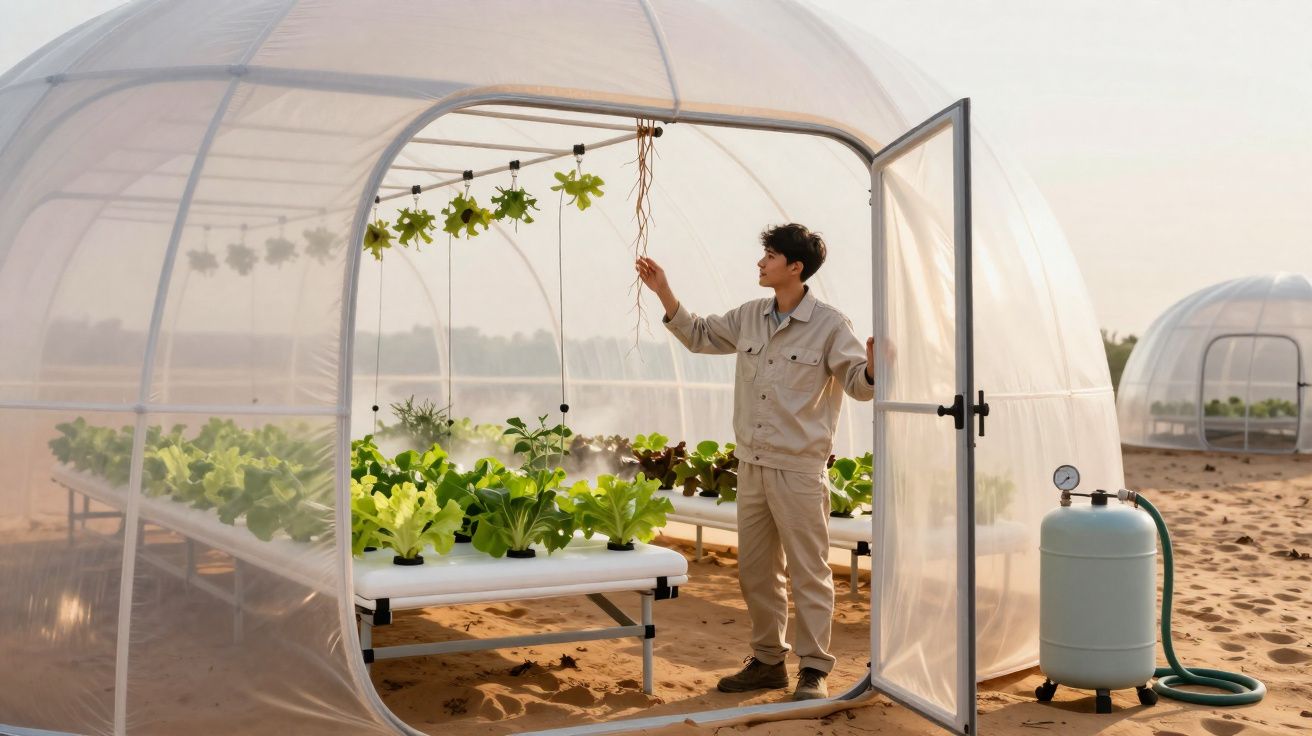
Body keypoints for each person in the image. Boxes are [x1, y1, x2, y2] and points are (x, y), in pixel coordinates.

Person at [634, 223, 876, 702]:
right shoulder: (749, 316)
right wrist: (664, 292)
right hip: (752, 464)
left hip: (799, 470)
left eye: (769, 256)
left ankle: (813, 669)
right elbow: (700, 336)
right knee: (757, 571)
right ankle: (768, 661)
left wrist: (875, 367)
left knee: (809, 571)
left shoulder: (831, 325)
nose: (760, 263)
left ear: (795, 267)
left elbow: (859, 386)